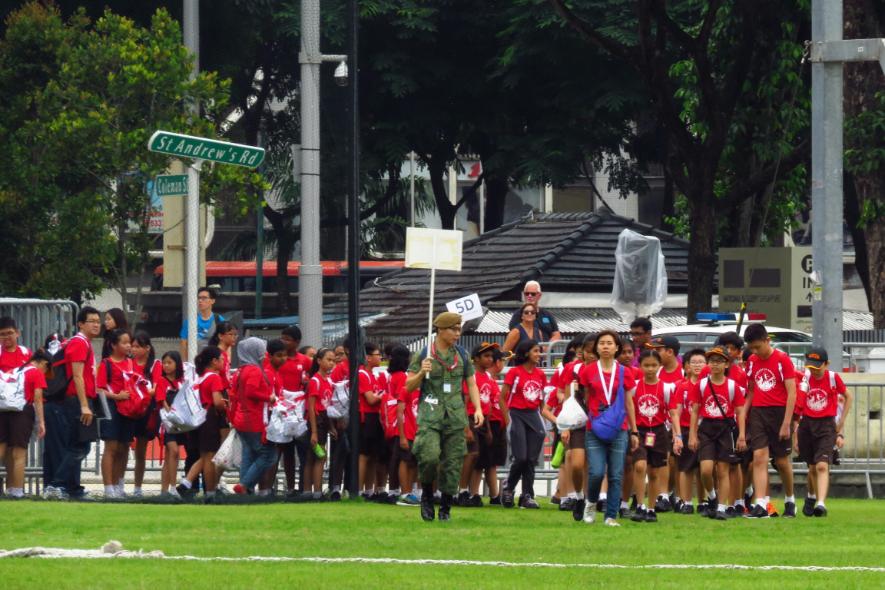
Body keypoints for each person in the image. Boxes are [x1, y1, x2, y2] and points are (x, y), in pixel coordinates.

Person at [406, 312, 484, 522]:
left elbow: (471, 383)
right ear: (440, 330)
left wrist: (477, 409)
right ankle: (427, 497)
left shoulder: (462, 354)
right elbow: (408, 386)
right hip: (430, 415)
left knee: (453, 463)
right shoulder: (424, 354)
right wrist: (422, 373)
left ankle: (446, 506)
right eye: (453, 329)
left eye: (459, 329)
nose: (457, 334)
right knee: (429, 457)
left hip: (455, 416)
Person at [577, 329, 639, 526]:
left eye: (609, 343)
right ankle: (591, 502)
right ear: (596, 347)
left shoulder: (624, 372)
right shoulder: (588, 370)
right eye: (602, 343)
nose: (605, 346)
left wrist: (634, 430)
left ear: (616, 348)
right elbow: (584, 397)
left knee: (616, 473)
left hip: (619, 427)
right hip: (594, 427)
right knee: (595, 472)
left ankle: (611, 516)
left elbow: (629, 402)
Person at [743, 323, 798, 518]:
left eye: (758, 347)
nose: (756, 351)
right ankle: (761, 503)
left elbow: (792, 392)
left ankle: (790, 500)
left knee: (781, 461)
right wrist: (743, 414)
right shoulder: (751, 361)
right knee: (759, 457)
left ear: (768, 340)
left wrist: (786, 423)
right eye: (752, 348)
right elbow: (751, 390)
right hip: (758, 412)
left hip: (780, 412)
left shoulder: (783, 360)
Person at [688, 346, 748, 520]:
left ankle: (721, 507)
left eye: (719, 361)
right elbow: (695, 410)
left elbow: (740, 412)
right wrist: (692, 435)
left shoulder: (732, 386)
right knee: (706, 469)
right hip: (706, 428)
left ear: (727, 364)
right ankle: (712, 497)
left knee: (723, 470)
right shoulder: (702, 384)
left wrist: (742, 435)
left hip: (725, 429)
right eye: (712, 361)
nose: (714, 365)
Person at [47, 306, 101, 500]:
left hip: (77, 400)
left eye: (98, 321)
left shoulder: (83, 342)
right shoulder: (79, 343)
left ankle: (72, 488)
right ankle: (56, 484)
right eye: (91, 321)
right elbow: (77, 376)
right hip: (76, 401)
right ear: (80, 324)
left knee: (75, 444)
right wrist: (84, 405)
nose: (96, 324)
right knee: (80, 445)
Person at [797, 348, 852, 517]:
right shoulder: (804, 378)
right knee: (812, 467)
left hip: (826, 425)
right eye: (811, 367)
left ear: (826, 364)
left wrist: (841, 423)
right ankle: (811, 496)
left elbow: (848, 396)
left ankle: (821, 503)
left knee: (822, 465)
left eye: (817, 367)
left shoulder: (833, 378)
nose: (813, 371)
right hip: (806, 424)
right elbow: (798, 402)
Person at [629, 349, 678, 523]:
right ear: (640, 366)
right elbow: (630, 410)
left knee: (655, 472)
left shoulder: (666, 388)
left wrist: (677, 435)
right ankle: (640, 505)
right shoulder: (634, 387)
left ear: (659, 366)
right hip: (639, 431)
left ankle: (651, 508)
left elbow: (673, 412)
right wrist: (633, 431)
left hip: (658, 431)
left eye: (654, 365)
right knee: (640, 466)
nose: (650, 369)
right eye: (646, 365)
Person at [500, 339, 547, 509]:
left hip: (533, 415)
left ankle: (527, 495)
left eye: (539, 351)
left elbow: (541, 401)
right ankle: (508, 488)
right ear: (526, 353)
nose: (539, 354)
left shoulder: (540, 374)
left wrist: (545, 418)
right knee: (520, 457)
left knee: (531, 459)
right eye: (535, 351)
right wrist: (508, 420)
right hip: (517, 414)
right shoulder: (515, 373)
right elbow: (502, 398)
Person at [231, 338, 278, 494]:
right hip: (253, 419)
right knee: (269, 455)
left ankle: (246, 489)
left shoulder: (240, 370)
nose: (264, 354)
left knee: (249, 453)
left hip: (241, 418)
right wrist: (268, 397)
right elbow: (251, 392)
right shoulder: (254, 370)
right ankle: (245, 485)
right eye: (261, 349)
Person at [0, 350, 50, 498]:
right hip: (22, 412)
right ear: (44, 363)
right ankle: (16, 490)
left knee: (1, 449)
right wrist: (41, 422)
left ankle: (10, 488)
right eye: (47, 369)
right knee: (19, 454)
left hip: (2, 410)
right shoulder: (35, 372)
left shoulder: (15, 371)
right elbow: (38, 398)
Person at [457, 342, 499, 507]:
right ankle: (462, 491)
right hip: (469, 418)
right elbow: (465, 401)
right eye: (486, 356)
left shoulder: (488, 377)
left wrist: (487, 429)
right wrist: (465, 427)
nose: (490, 359)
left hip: (482, 420)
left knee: (479, 459)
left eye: (491, 356)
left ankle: (472, 493)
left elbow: (486, 405)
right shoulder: (471, 376)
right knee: (471, 454)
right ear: (475, 359)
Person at [96, 329, 135, 498]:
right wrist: (116, 396)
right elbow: (99, 389)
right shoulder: (106, 364)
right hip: (111, 408)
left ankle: (120, 485)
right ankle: (108, 488)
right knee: (111, 447)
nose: (128, 346)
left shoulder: (131, 363)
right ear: (113, 345)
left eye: (129, 343)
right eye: (124, 342)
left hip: (129, 409)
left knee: (124, 447)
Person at [186, 346, 227, 501]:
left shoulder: (200, 377)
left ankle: (188, 482)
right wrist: (225, 406)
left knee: (204, 456)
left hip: (198, 418)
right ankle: (210, 492)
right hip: (210, 417)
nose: (223, 362)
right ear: (214, 361)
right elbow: (217, 401)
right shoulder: (214, 377)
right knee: (210, 457)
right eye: (221, 359)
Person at [277, 325, 312, 495]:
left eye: (287, 339)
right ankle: (290, 487)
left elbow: (312, 382)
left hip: (299, 413)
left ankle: (304, 488)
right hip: (281, 411)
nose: (283, 341)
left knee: (302, 451)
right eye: (282, 337)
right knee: (286, 451)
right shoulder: (277, 359)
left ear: (297, 342)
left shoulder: (305, 361)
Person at [672, 349, 706, 514]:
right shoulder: (682, 386)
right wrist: (677, 435)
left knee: (703, 468)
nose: (698, 365)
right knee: (686, 467)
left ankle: (703, 501)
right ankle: (686, 501)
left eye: (701, 362)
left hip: (706, 430)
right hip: (686, 430)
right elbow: (676, 413)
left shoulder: (708, 385)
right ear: (687, 366)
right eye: (694, 362)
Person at [130, 330, 161, 497]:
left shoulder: (155, 365)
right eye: (132, 346)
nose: (133, 349)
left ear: (147, 348)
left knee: (141, 452)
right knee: (120, 449)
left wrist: (144, 393)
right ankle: (117, 484)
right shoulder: (129, 363)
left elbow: (156, 388)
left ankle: (137, 487)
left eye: (137, 346)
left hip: (146, 410)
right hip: (129, 409)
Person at [306, 348, 336, 498]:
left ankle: (313, 491)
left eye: (333, 361)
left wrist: (330, 426)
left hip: (324, 420)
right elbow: (311, 407)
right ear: (319, 361)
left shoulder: (329, 381)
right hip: (316, 421)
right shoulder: (315, 381)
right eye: (328, 360)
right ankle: (316, 492)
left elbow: (328, 406)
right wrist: (314, 431)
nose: (331, 363)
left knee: (318, 457)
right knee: (319, 457)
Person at [358, 342, 385, 500]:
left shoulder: (375, 375)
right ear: (368, 358)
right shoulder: (362, 374)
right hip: (367, 417)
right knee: (364, 455)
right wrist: (383, 396)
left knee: (374, 455)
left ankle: (369, 490)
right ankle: (359, 490)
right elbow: (370, 399)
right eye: (377, 354)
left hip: (376, 417)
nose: (380, 357)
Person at [156, 351, 185, 497]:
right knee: (173, 451)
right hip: (167, 423)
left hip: (181, 423)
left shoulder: (182, 381)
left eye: (170, 362)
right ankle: (172, 487)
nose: (166, 366)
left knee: (170, 456)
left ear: (177, 364)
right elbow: (161, 400)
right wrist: (172, 413)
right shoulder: (162, 381)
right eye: (164, 362)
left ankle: (164, 490)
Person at [179, 287, 225, 360]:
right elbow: (183, 343)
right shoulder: (190, 321)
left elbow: (225, 342)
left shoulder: (219, 320)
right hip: (194, 361)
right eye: (199, 298)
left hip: (213, 362)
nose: (200, 300)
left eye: (204, 298)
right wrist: (184, 363)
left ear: (212, 301)